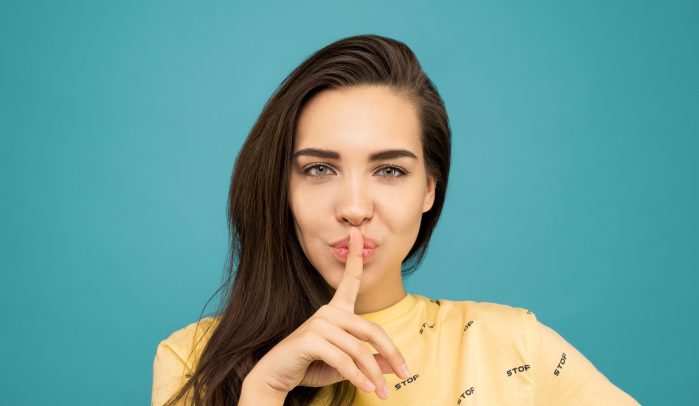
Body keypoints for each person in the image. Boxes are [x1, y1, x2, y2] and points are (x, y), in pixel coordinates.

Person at [151, 34, 640, 405]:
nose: (355, 207)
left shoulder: (515, 346)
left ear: (430, 188)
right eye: (320, 169)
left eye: (389, 170)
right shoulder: (194, 361)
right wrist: (264, 388)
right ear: (282, 188)